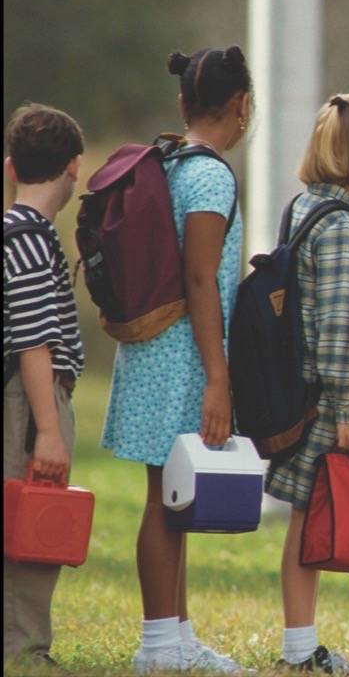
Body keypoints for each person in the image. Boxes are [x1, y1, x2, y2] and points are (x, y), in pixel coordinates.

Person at [100, 47, 252, 674]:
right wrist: (219, 378)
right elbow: (200, 280)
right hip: (185, 355)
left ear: (183, 104)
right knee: (166, 503)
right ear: (242, 107)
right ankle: (158, 645)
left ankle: (179, 635)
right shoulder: (211, 176)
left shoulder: (169, 161)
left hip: (154, 346)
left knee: (175, 494)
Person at [266, 94, 349, 674]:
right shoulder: (340, 226)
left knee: (303, 515)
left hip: (298, 385)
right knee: (309, 519)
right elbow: (338, 324)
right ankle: (299, 649)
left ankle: (300, 642)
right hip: (324, 397)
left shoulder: (302, 207)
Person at [3, 103, 86, 670]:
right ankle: (24, 648)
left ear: (11, 166)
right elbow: (34, 342)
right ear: (75, 167)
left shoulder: (17, 232)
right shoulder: (30, 242)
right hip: (29, 401)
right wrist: (49, 431)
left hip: (26, 396)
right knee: (31, 524)